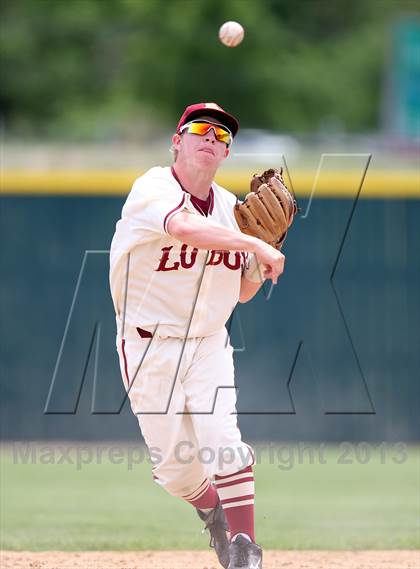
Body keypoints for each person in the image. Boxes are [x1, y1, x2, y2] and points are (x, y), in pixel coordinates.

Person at [109, 102, 285, 569]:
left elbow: (243, 294)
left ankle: (245, 548)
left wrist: (265, 255)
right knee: (176, 472)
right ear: (177, 141)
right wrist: (253, 243)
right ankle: (215, 515)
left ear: (225, 154)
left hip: (208, 342)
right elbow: (185, 227)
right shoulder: (152, 188)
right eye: (201, 129)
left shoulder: (235, 211)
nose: (212, 138)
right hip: (148, 344)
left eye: (222, 136)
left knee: (224, 441)